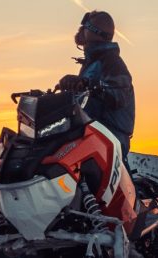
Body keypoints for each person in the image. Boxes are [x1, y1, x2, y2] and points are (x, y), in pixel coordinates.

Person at [56, 10, 136, 167]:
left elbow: (119, 94)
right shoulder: (93, 62)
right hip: (91, 132)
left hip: (108, 136)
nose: (81, 30)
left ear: (94, 32)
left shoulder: (112, 62)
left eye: (85, 26)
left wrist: (88, 84)